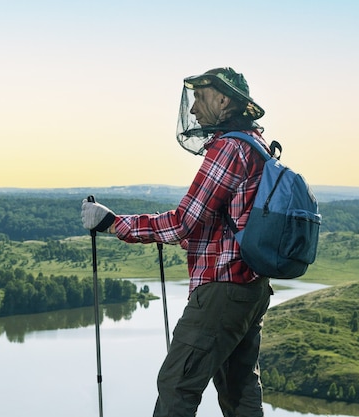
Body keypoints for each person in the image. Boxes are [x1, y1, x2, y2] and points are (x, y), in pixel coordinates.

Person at [81, 67, 273, 417]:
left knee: (176, 385)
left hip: (221, 288)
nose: (195, 109)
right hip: (252, 287)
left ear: (222, 99)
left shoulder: (229, 148)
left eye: (200, 98)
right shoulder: (258, 146)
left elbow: (183, 222)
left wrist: (113, 224)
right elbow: (231, 220)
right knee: (240, 391)